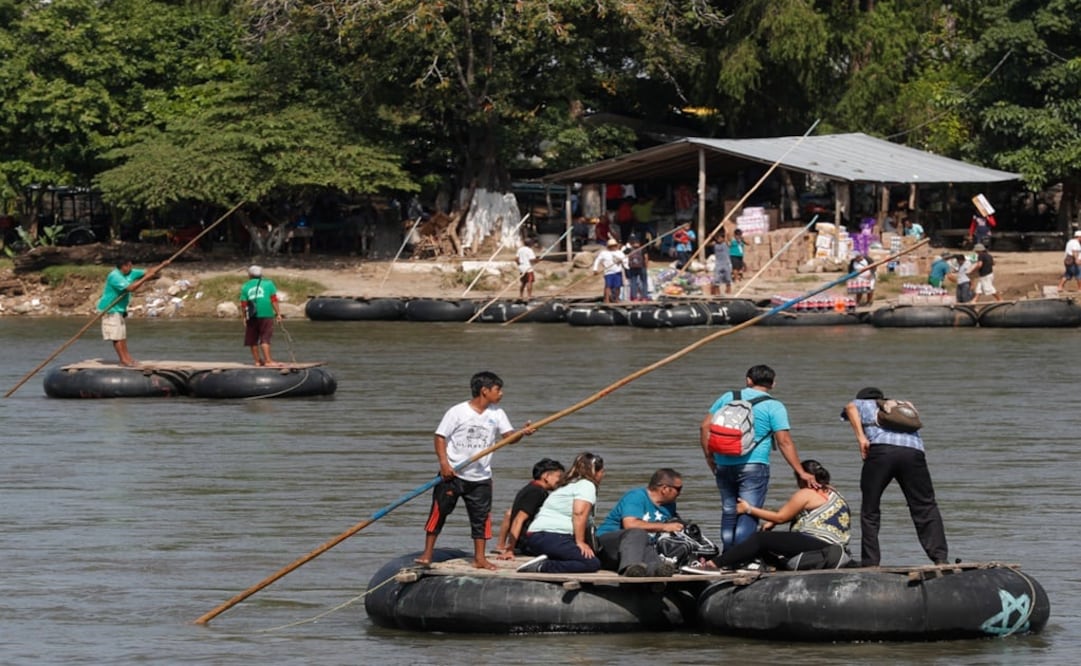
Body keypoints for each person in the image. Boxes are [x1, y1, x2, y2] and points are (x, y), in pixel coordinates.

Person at [417, 371, 534, 570]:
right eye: (498, 389)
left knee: (481, 518)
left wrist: (521, 433)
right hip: (453, 474)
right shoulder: (457, 411)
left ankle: (480, 558)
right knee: (439, 512)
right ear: (484, 391)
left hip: (480, 477)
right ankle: (427, 553)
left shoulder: (497, 413)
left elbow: (509, 437)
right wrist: (444, 464)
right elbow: (439, 437)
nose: (501, 393)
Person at [699, 365, 818, 551]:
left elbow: (705, 426)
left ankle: (727, 555)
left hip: (722, 463)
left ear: (748, 380)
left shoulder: (728, 397)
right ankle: (740, 559)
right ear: (773, 384)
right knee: (748, 511)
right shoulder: (774, 406)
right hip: (753, 465)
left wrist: (710, 457)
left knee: (729, 511)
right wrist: (800, 471)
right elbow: (784, 442)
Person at [842, 387, 949, 567]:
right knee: (924, 505)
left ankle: (871, 562)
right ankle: (940, 558)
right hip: (913, 453)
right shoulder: (900, 406)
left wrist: (861, 438)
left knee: (870, 509)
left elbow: (850, 408)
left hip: (881, 452)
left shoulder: (863, 403)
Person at [686, 460, 852, 572]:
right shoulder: (835, 493)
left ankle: (713, 564)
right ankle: (767, 566)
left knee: (761, 539)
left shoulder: (806, 493)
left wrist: (748, 509)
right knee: (770, 542)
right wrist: (773, 523)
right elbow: (799, 514)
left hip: (818, 540)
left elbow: (780, 517)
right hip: (836, 543)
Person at [516, 452, 605, 574]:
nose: (603, 475)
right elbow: (579, 514)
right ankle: (542, 566)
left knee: (587, 557)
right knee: (591, 563)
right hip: (552, 536)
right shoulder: (587, 485)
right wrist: (580, 542)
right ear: (595, 472)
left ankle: (548, 560)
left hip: (538, 537)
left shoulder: (569, 484)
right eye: (602, 472)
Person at [594, 469, 685, 577]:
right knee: (637, 533)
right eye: (678, 489)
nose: (680, 493)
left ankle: (657, 574)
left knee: (650, 547)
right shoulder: (636, 497)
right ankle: (630, 569)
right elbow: (630, 524)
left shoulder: (670, 506)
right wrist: (665, 527)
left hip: (640, 548)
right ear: (664, 489)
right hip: (608, 547)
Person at [495, 458, 565, 559]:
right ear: (546, 476)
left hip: (523, 543)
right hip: (529, 544)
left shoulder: (529, 488)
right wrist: (510, 550)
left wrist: (501, 545)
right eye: (558, 476)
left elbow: (509, 514)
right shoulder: (537, 493)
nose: (560, 481)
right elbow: (518, 519)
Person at [96, 259, 152, 367]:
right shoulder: (115, 276)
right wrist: (145, 278)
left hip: (120, 310)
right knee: (116, 336)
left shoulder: (130, 272)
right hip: (110, 309)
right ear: (123, 266)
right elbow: (131, 288)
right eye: (129, 266)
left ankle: (128, 358)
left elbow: (148, 271)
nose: (132, 268)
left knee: (122, 335)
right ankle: (123, 360)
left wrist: (162, 265)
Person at [239, 265, 283, 367]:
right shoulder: (268, 284)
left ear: (249, 275)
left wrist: (244, 317)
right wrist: (278, 313)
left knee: (252, 339)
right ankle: (268, 361)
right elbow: (273, 300)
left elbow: (243, 304)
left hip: (252, 314)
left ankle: (258, 361)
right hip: (266, 313)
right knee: (265, 337)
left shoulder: (245, 286)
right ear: (261, 274)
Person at [592, 237, 626, 303]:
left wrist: (622, 261)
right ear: (609, 247)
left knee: (618, 286)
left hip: (617, 272)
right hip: (608, 272)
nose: (613, 247)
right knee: (608, 286)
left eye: (614, 246)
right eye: (611, 246)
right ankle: (606, 299)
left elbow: (625, 260)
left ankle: (616, 299)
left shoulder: (620, 253)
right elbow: (597, 260)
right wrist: (595, 269)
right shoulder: (604, 253)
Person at [624, 236, 650, 301]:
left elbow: (623, 254)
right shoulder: (643, 248)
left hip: (632, 268)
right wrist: (646, 267)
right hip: (642, 267)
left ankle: (634, 297)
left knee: (633, 282)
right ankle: (644, 297)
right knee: (644, 282)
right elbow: (646, 258)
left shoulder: (629, 250)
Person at [711, 229, 733, 296]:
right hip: (718, 263)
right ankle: (718, 293)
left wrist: (727, 232)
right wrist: (711, 237)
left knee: (728, 278)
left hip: (726, 263)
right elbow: (708, 244)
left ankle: (728, 291)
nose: (719, 239)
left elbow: (729, 239)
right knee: (716, 278)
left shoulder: (726, 244)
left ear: (723, 238)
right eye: (717, 238)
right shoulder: (715, 244)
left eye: (720, 238)